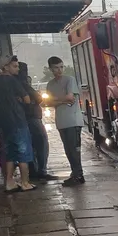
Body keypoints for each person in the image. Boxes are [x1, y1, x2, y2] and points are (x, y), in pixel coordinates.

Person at [0, 55, 35, 192]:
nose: (18, 69)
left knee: (10, 154)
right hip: (18, 121)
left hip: (3, 124)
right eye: (15, 66)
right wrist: (21, 101)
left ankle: (9, 183)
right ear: (5, 68)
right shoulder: (12, 81)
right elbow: (27, 99)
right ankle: (25, 183)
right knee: (23, 153)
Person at [45, 56, 85, 186]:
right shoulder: (50, 84)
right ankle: (75, 173)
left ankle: (79, 175)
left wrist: (57, 100)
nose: (59, 70)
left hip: (73, 121)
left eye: (61, 67)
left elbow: (70, 97)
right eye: (56, 67)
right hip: (61, 121)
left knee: (74, 149)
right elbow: (48, 102)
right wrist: (62, 100)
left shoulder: (69, 80)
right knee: (68, 150)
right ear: (50, 68)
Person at [16, 62, 57, 181]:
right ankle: (41, 170)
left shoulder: (13, 82)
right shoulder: (22, 82)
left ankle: (33, 169)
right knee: (41, 142)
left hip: (23, 118)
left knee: (30, 144)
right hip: (32, 117)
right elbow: (38, 98)